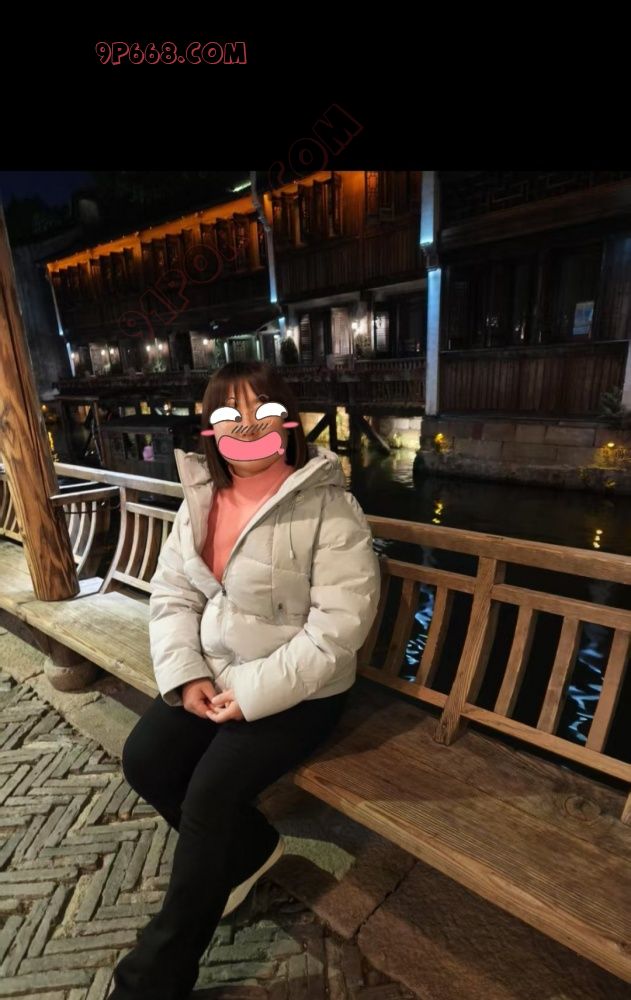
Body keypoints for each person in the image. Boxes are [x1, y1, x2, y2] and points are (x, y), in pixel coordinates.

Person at [110, 360, 381, 999]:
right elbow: (173, 595)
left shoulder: (328, 505)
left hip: (303, 689)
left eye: (264, 410)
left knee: (209, 795)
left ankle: (151, 980)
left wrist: (253, 694)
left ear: (287, 423)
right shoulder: (201, 502)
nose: (249, 425)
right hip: (217, 673)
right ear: (211, 428)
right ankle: (249, 850)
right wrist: (187, 676)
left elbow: (337, 630)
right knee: (145, 759)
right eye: (232, 414)